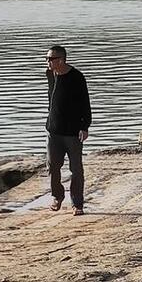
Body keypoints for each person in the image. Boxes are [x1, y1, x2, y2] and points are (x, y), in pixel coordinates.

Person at [45, 45, 90, 216]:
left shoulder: (76, 77)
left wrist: (85, 127)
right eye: (46, 59)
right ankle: (57, 196)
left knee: (76, 169)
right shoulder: (50, 74)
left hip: (72, 132)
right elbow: (51, 98)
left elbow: (85, 103)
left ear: (61, 60)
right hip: (53, 131)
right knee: (52, 166)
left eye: (51, 59)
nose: (48, 62)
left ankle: (77, 204)